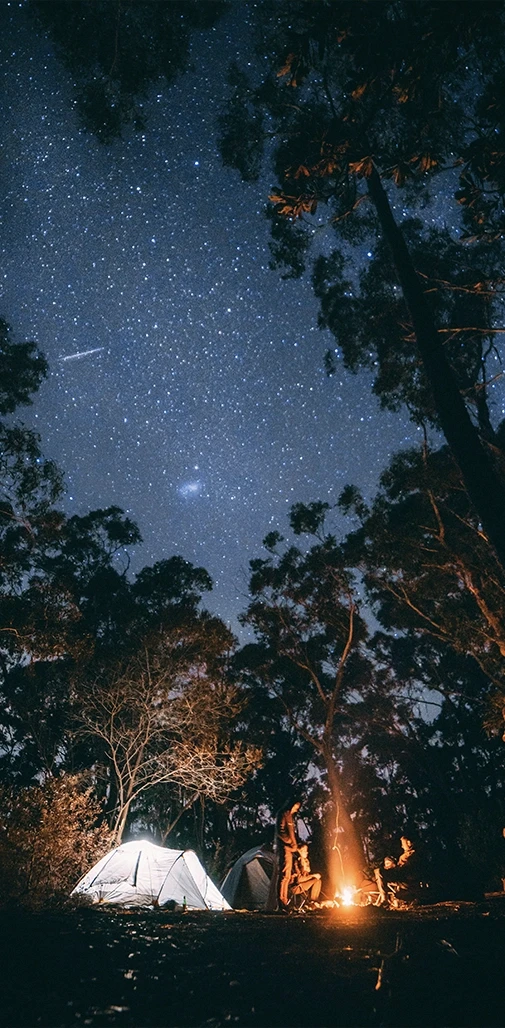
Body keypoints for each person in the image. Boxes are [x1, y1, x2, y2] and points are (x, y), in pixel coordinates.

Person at [275, 798, 301, 909]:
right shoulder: (283, 814)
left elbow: (291, 832)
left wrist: (295, 845)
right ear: (291, 805)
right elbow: (280, 831)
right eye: (296, 806)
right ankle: (281, 903)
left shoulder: (290, 816)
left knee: (288, 875)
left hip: (290, 849)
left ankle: (284, 902)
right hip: (285, 848)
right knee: (284, 875)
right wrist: (290, 842)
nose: (297, 809)